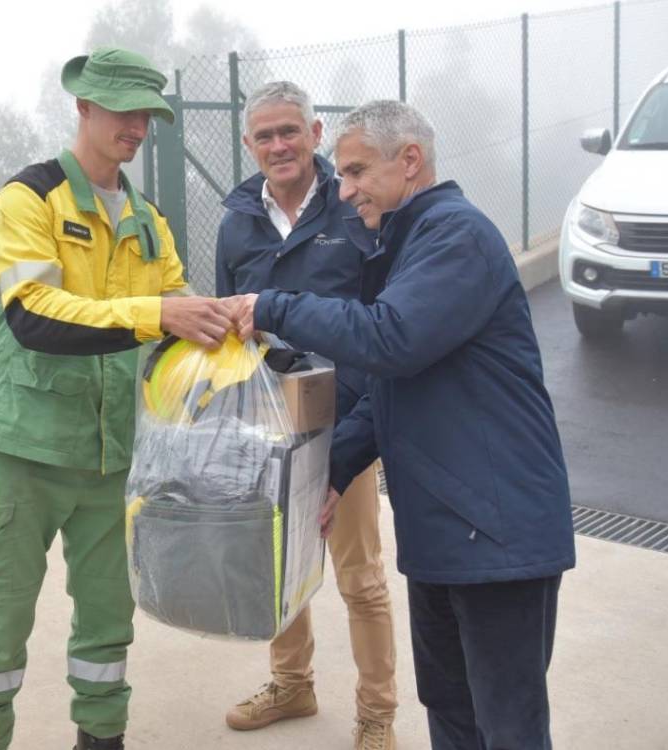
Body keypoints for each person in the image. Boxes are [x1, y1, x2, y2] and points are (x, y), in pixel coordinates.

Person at [224, 99, 575, 750]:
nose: (346, 188)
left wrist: (269, 304)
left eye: (356, 171)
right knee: (449, 704)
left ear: (408, 161)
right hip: (447, 530)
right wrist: (331, 468)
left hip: (495, 533)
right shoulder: (406, 243)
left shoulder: (455, 237)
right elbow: (391, 386)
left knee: (506, 720)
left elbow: (390, 342)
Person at [0, 47, 233, 750]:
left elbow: (176, 304)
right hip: (25, 451)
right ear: (82, 106)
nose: (136, 126)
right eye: (122, 109)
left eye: (146, 114)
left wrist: (226, 326)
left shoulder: (148, 217)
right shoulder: (27, 199)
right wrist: (157, 316)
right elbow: (34, 316)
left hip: (113, 458)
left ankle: (101, 738)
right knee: (2, 620)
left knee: (109, 620)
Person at [214, 81, 397, 750]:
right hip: (267, 422)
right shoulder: (236, 221)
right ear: (248, 145)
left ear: (314, 134)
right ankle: (292, 685)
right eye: (264, 136)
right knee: (276, 565)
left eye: (289, 131)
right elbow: (231, 321)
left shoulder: (352, 207)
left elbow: (383, 325)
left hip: (342, 423)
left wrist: (356, 430)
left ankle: (376, 714)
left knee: (359, 576)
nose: (278, 145)